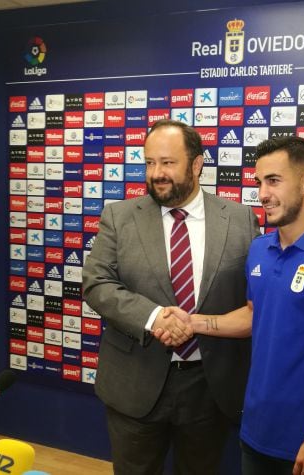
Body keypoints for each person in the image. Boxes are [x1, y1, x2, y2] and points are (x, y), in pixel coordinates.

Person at [157, 136, 304, 474]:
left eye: (273, 181)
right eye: (259, 182)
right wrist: (193, 322)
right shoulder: (259, 248)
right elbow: (254, 315)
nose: (262, 194)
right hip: (256, 432)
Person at [82, 119, 260, 475]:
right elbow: (96, 283)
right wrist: (153, 318)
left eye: (167, 162)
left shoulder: (240, 219)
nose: (156, 173)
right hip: (135, 382)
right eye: (150, 162)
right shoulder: (118, 217)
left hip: (210, 386)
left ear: (196, 164)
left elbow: (254, 299)